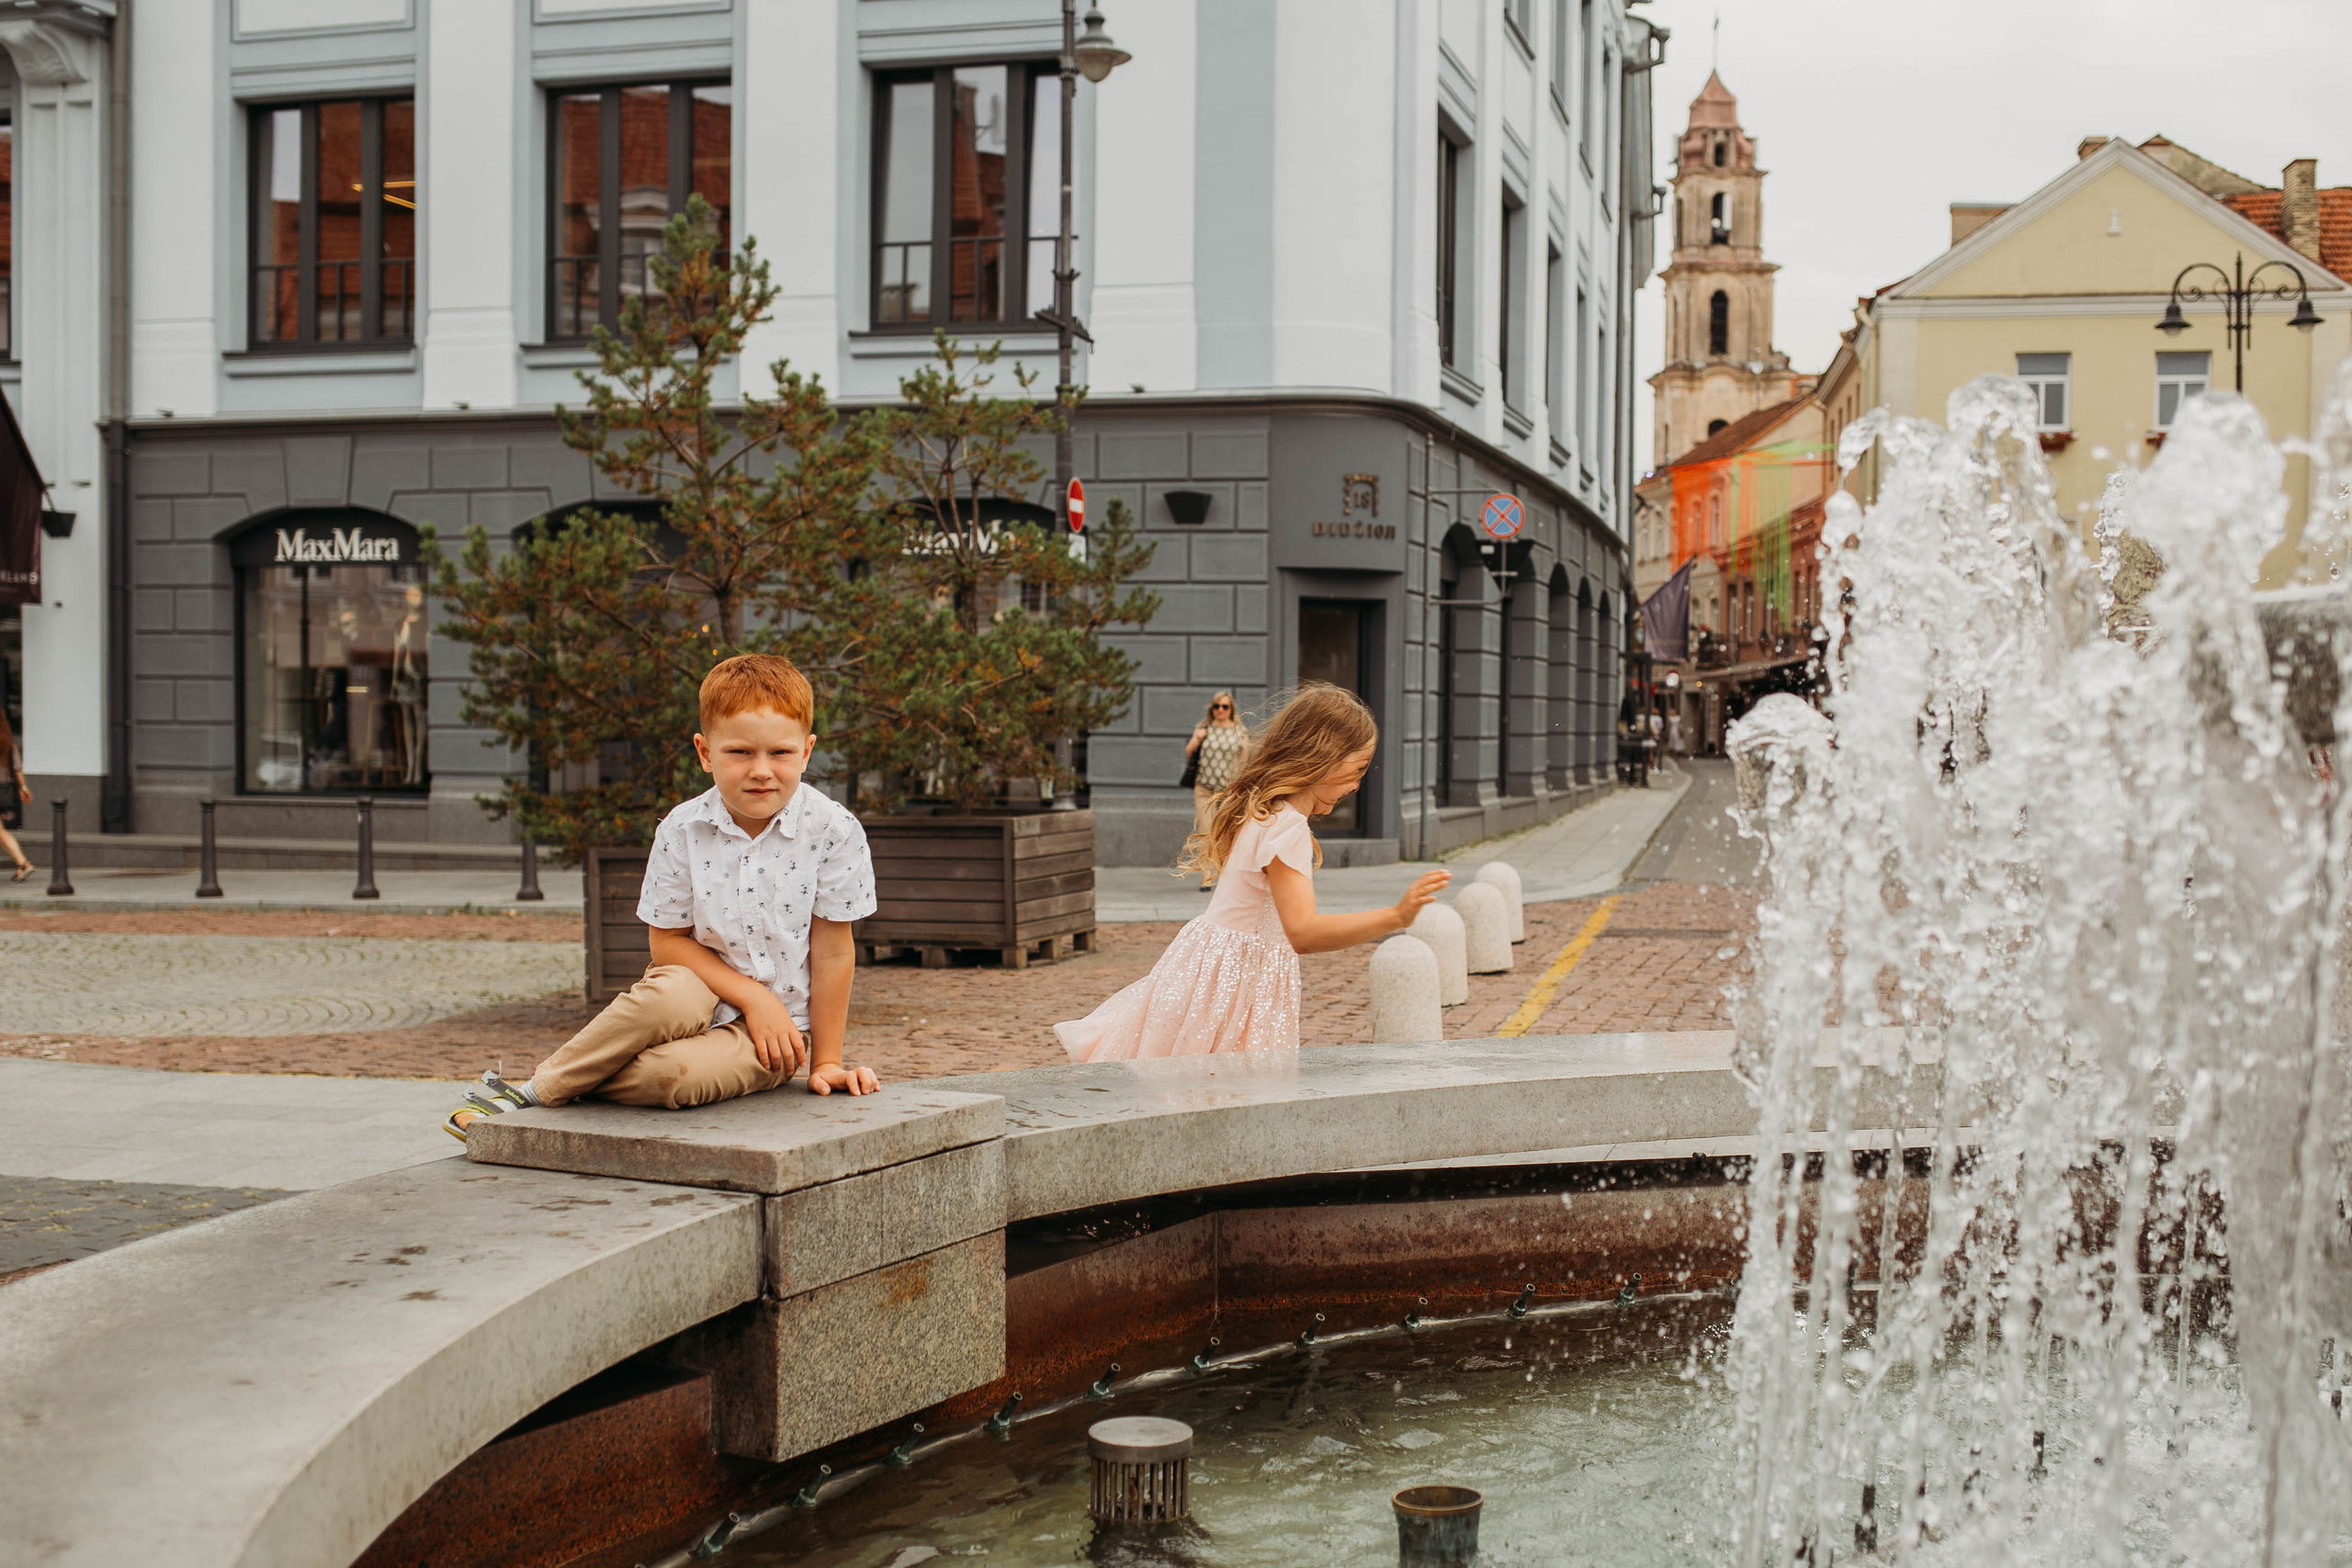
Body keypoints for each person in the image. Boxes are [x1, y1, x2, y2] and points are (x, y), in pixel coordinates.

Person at [446, 653, 881, 1138]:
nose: (761, 770)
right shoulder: (682, 829)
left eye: (780, 753)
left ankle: (571, 1081)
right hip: (695, 990)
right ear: (705, 752)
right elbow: (667, 943)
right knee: (666, 997)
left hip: (775, 1032)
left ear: (806, 752)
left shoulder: (833, 831)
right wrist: (752, 996)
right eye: (740, 752)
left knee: (669, 1077)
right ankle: (530, 1092)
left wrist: (826, 1061)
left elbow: (833, 948)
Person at [1056, 682, 1450, 1061]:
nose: (1358, 784)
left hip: (1211, 969)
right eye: (1358, 768)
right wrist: (1395, 917)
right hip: (1235, 983)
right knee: (1227, 1094)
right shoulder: (1288, 828)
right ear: (1323, 756)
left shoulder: (1265, 812)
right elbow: (1304, 933)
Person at [1184, 689, 1248, 891]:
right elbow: (1188, 752)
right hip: (1204, 789)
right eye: (1217, 706)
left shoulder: (1240, 732)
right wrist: (1197, 738)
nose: (1220, 710)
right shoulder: (1204, 728)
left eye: (1225, 706)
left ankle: (1226, 874)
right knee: (1206, 832)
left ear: (1231, 709)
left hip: (1228, 792)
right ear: (1212, 709)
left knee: (1225, 833)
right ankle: (1207, 877)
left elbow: (1245, 762)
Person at [0, 707, 31, 882]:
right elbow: (17, 768)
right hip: (4, 789)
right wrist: (24, 787)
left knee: (1, 832)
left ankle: (23, 862)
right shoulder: (9, 742)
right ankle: (22, 864)